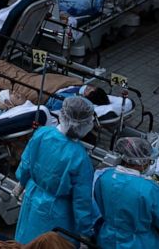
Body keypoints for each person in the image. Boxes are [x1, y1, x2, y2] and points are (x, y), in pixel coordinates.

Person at [13, 96, 97, 245]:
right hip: (58, 212)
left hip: (32, 197)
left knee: (25, 241)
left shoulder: (42, 133)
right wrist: (84, 234)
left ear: (62, 115)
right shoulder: (80, 157)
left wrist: (21, 183)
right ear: (84, 124)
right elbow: (81, 201)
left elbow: (26, 163)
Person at [94, 137, 159, 249]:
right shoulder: (149, 189)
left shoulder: (105, 177)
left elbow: (100, 202)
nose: (150, 164)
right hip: (139, 243)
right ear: (142, 162)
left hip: (107, 239)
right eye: (150, 161)